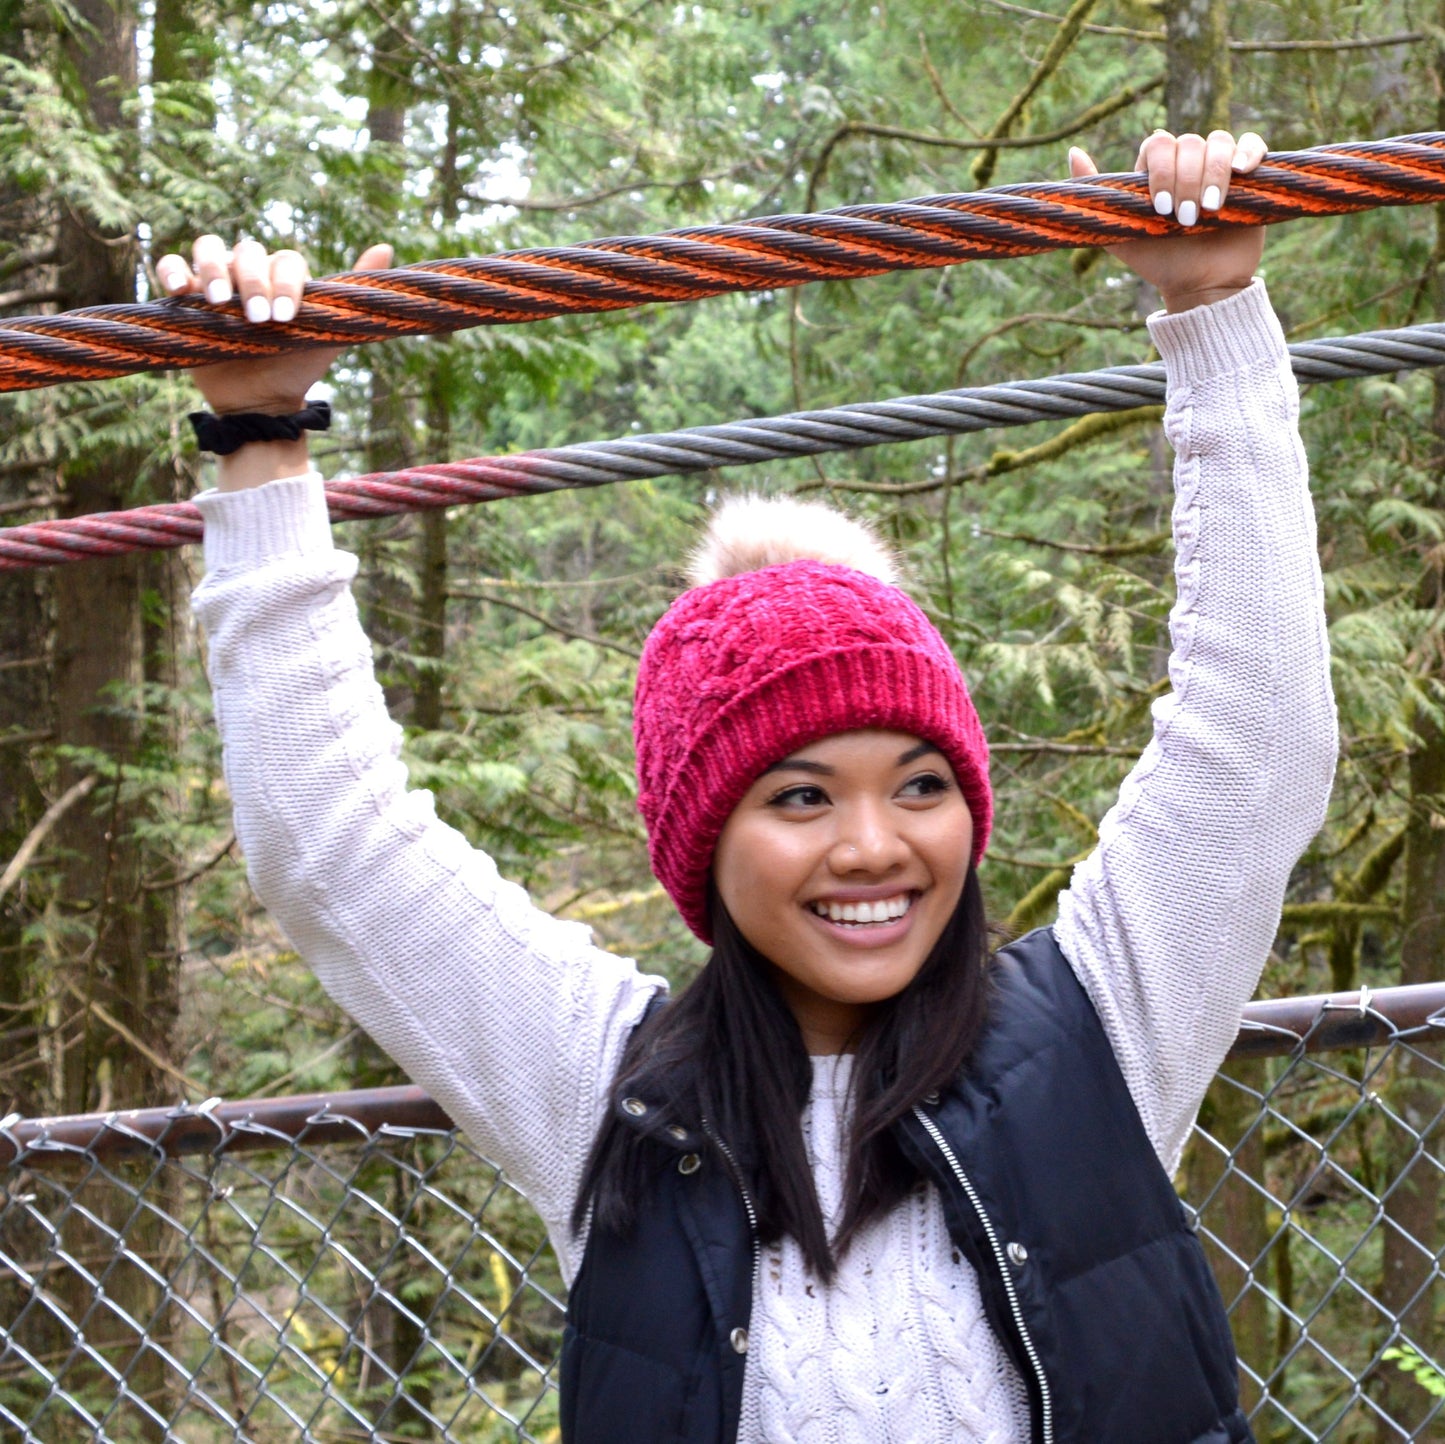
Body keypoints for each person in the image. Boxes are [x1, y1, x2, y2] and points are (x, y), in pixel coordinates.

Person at [167, 128, 1336, 1444]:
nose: (873, 846)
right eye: (796, 798)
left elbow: (1255, 737)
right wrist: (260, 436)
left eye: (918, 784)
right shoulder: (610, 1094)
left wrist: (1210, 304)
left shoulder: (1102, 1031)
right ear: (699, 843)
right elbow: (334, 846)